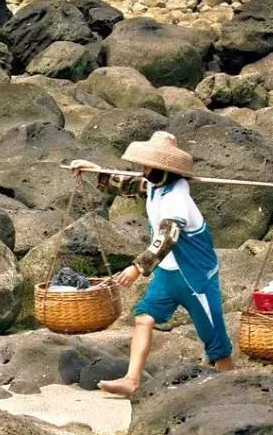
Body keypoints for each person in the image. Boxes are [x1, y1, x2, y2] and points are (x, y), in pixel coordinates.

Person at [69, 131, 235, 396]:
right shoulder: (155, 186)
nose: (143, 170)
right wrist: (95, 171)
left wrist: (137, 267)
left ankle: (235, 386)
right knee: (144, 317)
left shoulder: (176, 198)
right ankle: (132, 379)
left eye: (148, 166)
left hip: (195, 276)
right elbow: (127, 184)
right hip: (168, 273)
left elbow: (168, 237)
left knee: (214, 341)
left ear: (164, 169)